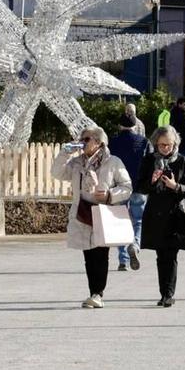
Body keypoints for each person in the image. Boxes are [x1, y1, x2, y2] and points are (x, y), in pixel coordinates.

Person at [51, 123, 133, 309]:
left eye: (86, 139)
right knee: (88, 255)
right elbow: (57, 173)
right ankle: (93, 293)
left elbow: (127, 187)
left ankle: (98, 293)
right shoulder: (77, 162)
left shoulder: (112, 162)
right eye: (82, 139)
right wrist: (65, 153)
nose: (82, 143)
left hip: (103, 212)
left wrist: (109, 195)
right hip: (83, 212)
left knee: (101, 254)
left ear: (98, 142)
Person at [137, 123, 185, 307]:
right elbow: (140, 187)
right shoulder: (148, 160)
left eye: (169, 145)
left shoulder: (182, 161)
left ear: (175, 144)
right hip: (155, 215)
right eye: (161, 145)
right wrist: (152, 181)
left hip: (175, 215)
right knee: (161, 256)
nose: (165, 148)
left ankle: (167, 295)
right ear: (156, 143)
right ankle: (164, 292)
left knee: (170, 256)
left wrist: (174, 186)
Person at [108, 113, 147, 272]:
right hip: (138, 186)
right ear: (135, 126)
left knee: (120, 221)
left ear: (120, 126)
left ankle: (122, 259)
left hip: (119, 187)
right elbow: (151, 161)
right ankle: (135, 245)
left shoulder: (113, 142)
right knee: (137, 220)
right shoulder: (143, 142)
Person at [170, 96, 185, 160]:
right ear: (179, 104)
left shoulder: (176, 114)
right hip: (183, 144)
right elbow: (184, 129)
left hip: (181, 143)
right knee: (184, 163)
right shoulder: (180, 115)